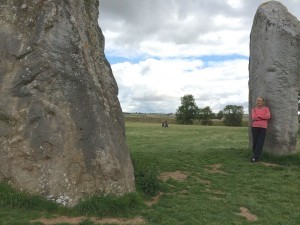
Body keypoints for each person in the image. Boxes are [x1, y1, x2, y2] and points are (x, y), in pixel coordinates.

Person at [251, 97, 271, 162]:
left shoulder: (266, 109)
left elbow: (268, 116)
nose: (259, 102)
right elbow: (254, 118)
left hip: (263, 128)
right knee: (255, 143)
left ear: (263, 102)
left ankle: (255, 158)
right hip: (254, 127)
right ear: (256, 102)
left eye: (260, 100)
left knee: (260, 143)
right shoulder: (254, 109)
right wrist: (263, 117)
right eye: (258, 100)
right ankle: (255, 156)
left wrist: (259, 116)